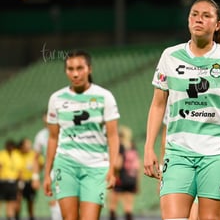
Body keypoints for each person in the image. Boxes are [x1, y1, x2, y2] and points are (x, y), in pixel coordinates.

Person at [144, 0, 220, 220]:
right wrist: (148, 148)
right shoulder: (169, 56)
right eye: (194, 14)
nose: (198, 19)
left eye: (206, 15)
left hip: (217, 153)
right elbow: (157, 104)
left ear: (217, 25)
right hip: (178, 152)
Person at [43, 49, 120, 220]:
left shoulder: (104, 97)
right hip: (66, 164)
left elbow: (113, 136)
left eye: (80, 68)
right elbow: (53, 138)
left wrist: (112, 169)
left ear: (89, 69)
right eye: (70, 69)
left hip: (96, 167)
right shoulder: (56, 99)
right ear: (65, 71)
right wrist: (47, 174)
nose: (75, 73)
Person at [32, 112, 62, 220]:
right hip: (51, 174)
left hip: (67, 172)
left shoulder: (64, 132)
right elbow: (35, 158)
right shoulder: (41, 135)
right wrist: (35, 177)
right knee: (54, 206)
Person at [108, 125, 140, 220]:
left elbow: (118, 163)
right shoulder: (132, 146)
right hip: (131, 178)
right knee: (128, 207)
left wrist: (113, 173)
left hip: (120, 178)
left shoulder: (120, 147)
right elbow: (138, 164)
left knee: (113, 206)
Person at [0, 139, 24, 220]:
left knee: (11, 203)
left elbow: (20, 171)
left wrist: (20, 184)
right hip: (2, 182)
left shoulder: (17, 156)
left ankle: (10, 217)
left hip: (13, 183)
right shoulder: (2, 154)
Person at [15, 138, 38, 220]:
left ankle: (31, 217)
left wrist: (35, 178)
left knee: (31, 201)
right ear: (22, 146)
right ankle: (16, 217)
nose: (29, 146)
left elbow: (40, 164)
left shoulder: (33, 154)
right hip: (19, 182)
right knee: (18, 201)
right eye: (27, 144)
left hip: (30, 182)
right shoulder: (16, 154)